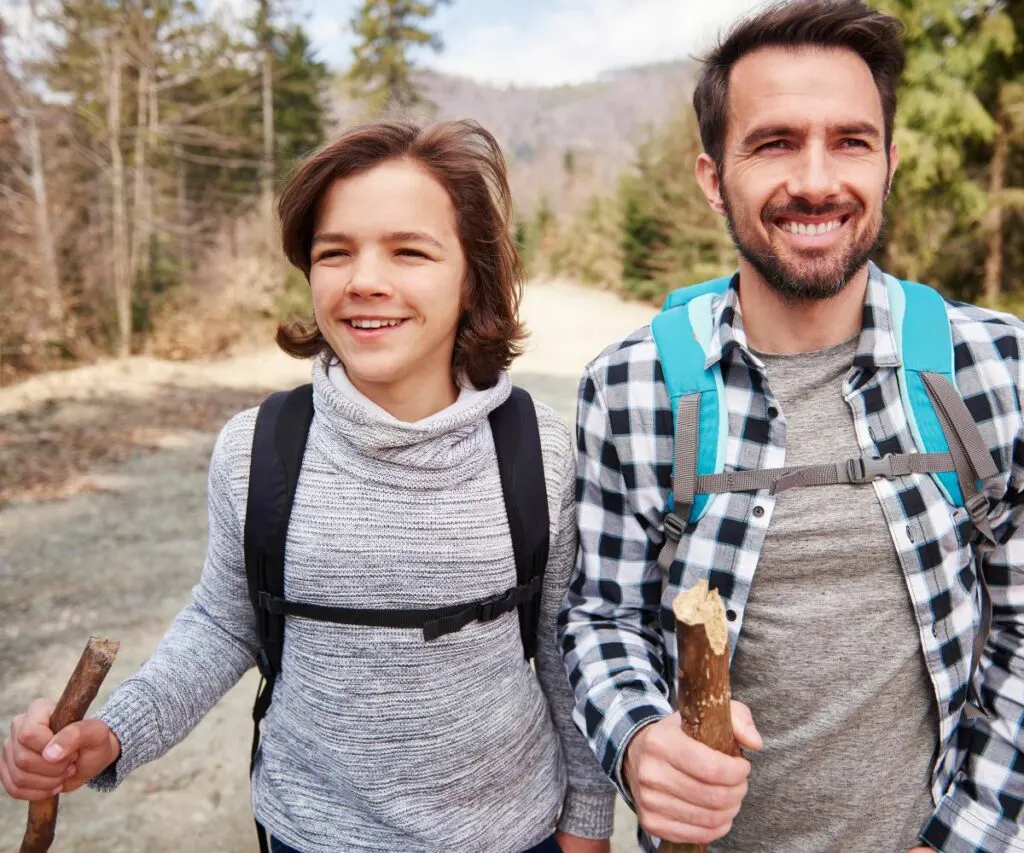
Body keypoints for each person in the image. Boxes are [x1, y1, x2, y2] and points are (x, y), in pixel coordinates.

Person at [1, 119, 615, 853]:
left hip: (512, 833)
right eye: (336, 253)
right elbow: (224, 623)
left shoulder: (536, 447)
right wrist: (111, 733)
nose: (364, 281)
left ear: (472, 275)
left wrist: (586, 823)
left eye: (410, 250)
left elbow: (562, 646)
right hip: (308, 832)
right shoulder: (257, 449)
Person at [558, 1, 1024, 851]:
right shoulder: (631, 386)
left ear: (890, 164)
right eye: (774, 142)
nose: (816, 180)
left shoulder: (995, 369)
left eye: (850, 140)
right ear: (711, 177)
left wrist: (959, 838)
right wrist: (637, 740)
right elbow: (602, 616)